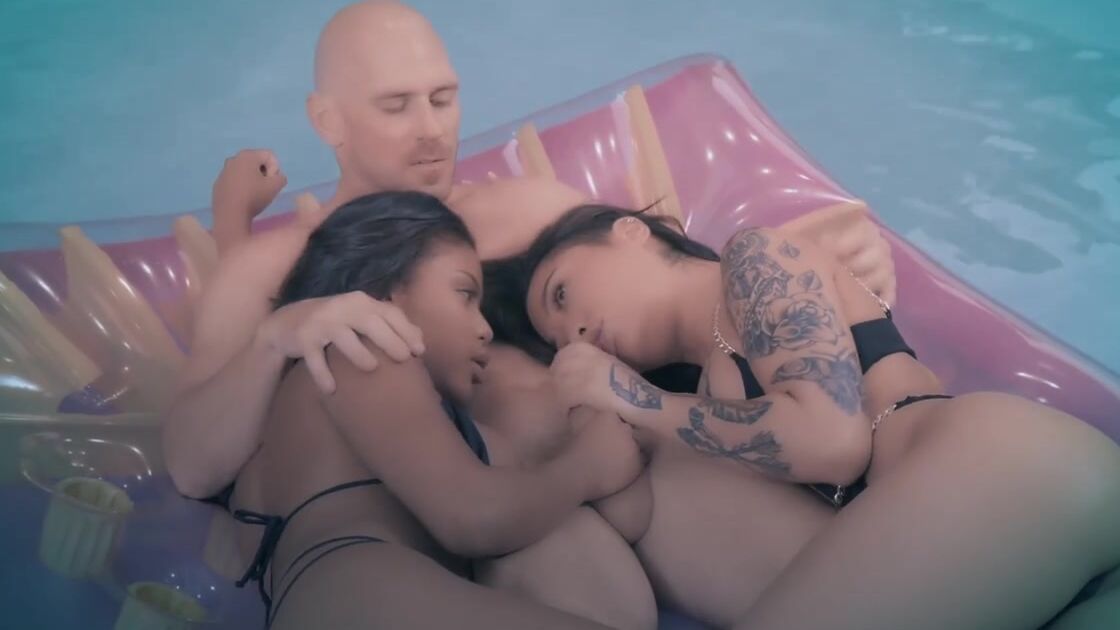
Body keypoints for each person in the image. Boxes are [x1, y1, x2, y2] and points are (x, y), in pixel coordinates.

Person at [162, 1, 896, 626]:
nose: (431, 129)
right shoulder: (273, 269)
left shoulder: (525, 210)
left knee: (870, 602)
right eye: (396, 105)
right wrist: (270, 340)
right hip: (465, 522)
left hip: (626, 474)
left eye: (443, 99)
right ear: (329, 120)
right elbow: (194, 465)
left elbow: (671, 291)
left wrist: (831, 285)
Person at [494, 202, 1120, 630]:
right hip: (989, 547)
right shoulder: (703, 395)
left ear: (630, 231)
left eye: (562, 294)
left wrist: (633, 397)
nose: (573, 332)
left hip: (1003, 469)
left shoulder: (757, 258)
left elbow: (831, 439)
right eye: (557, 339)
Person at [227, 190, 646, 629]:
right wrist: (588, 466)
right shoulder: (362, 348)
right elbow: (475, 517)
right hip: (362, 587)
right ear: (382, 291)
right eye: (465, 294)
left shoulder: (310, 418)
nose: (484, 329)